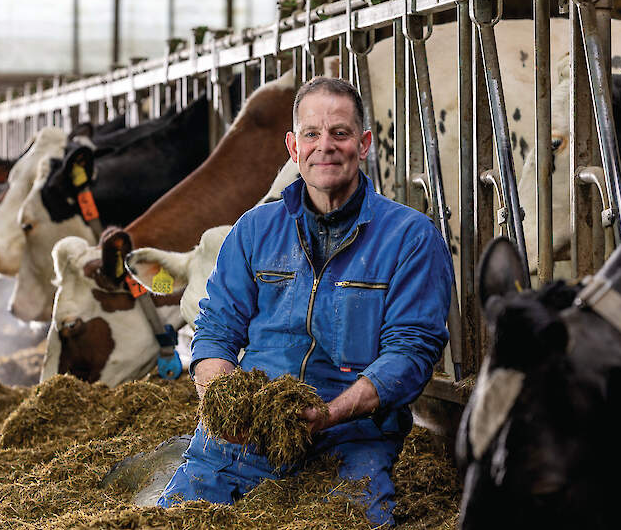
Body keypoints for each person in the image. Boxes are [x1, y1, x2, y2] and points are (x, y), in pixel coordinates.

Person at [156, 77, 453, 526]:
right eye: (312, 134)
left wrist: (329, 415)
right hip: (244, 438)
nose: (325, 146)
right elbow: (216, 328)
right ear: (293, 147)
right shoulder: (254, 230)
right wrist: (222, 398)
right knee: (175, 521)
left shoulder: (411, 238)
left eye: (340, 133)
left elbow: (411, 354)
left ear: (364, 143)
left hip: (351, 440)